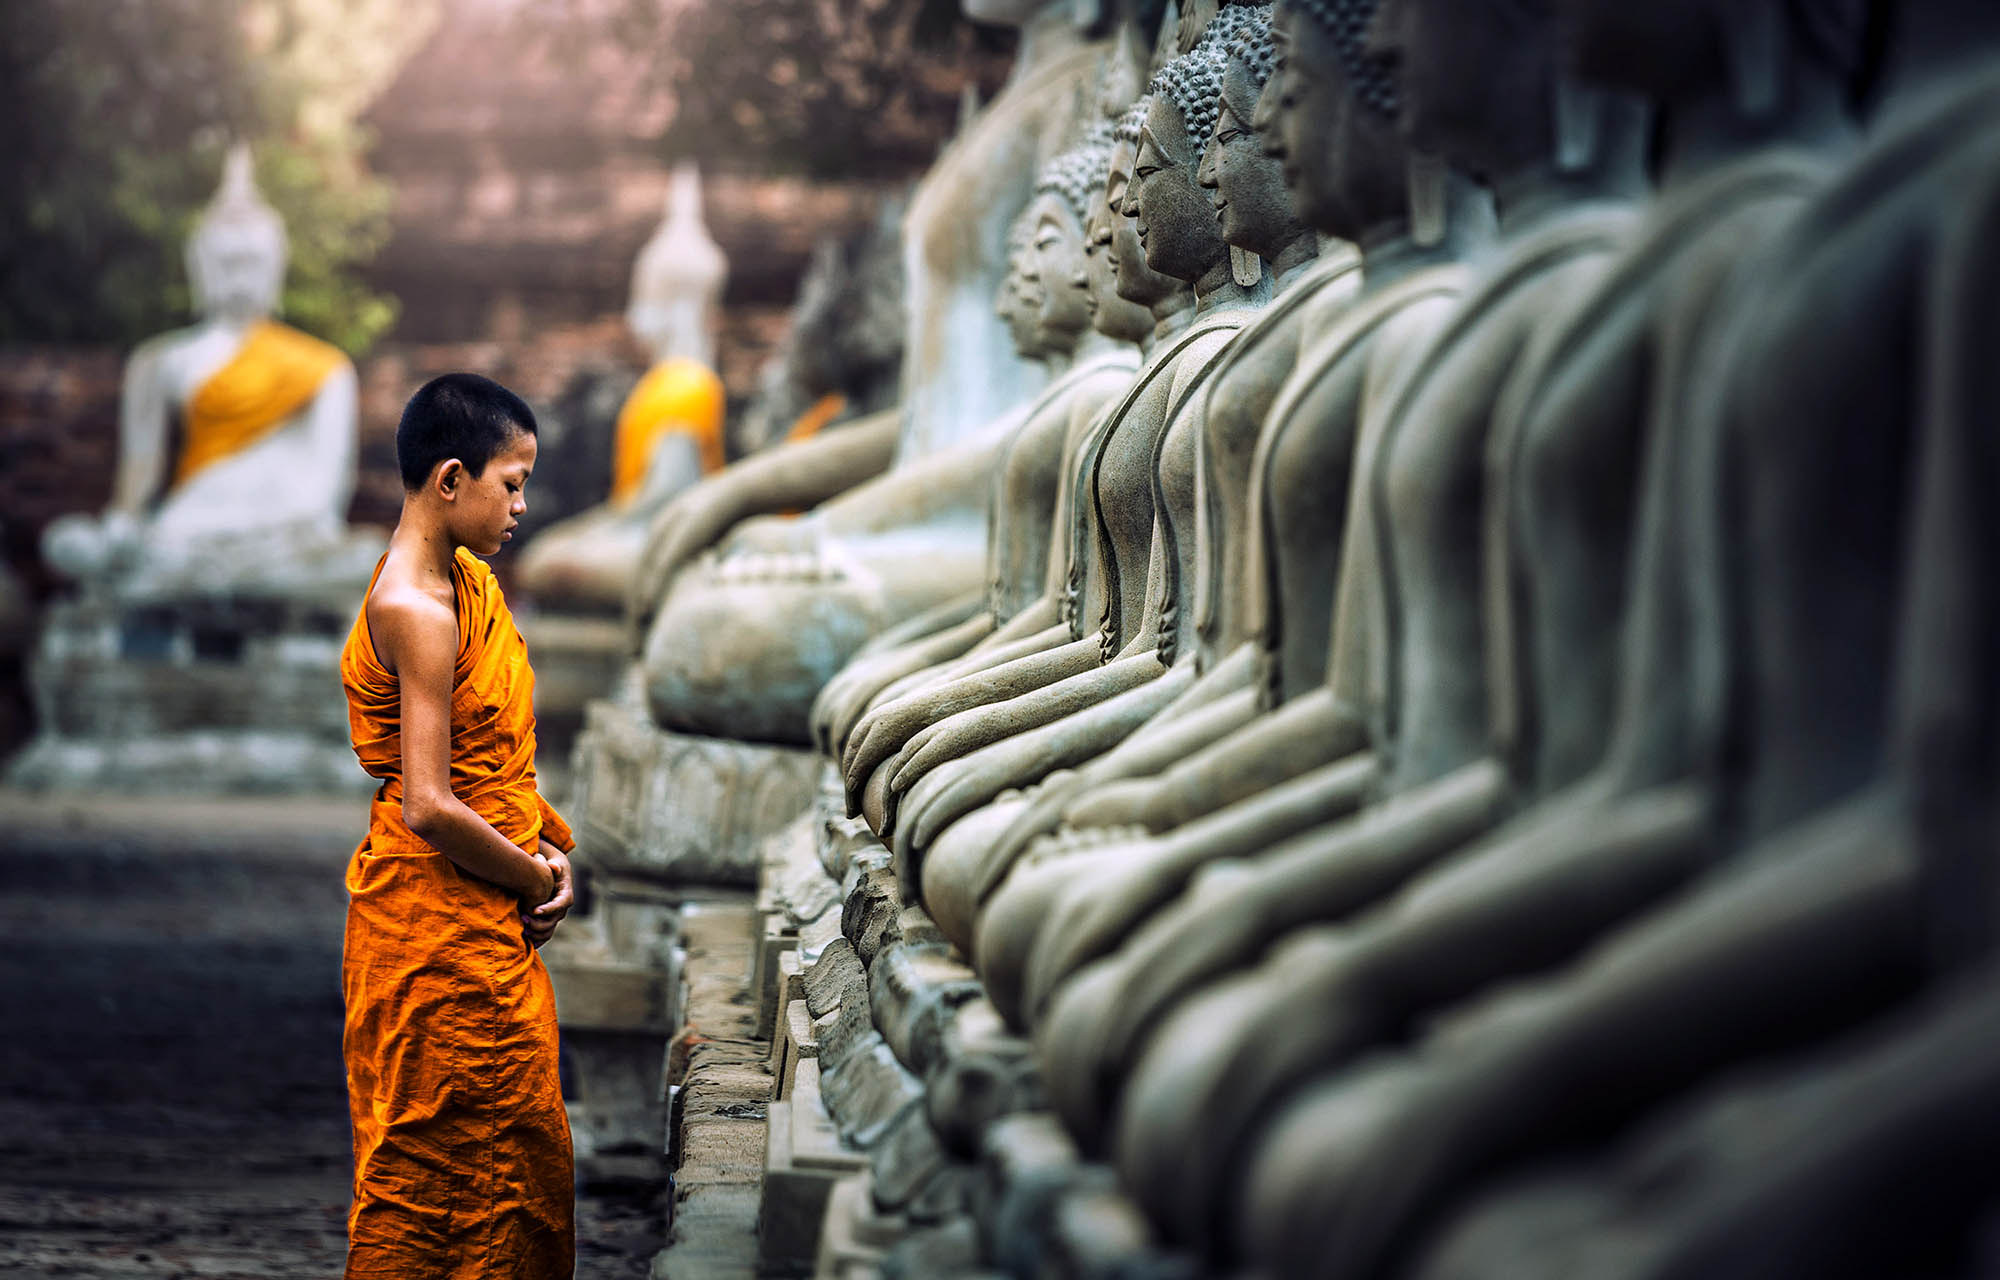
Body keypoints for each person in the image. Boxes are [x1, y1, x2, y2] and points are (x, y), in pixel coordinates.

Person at [337, 372, 578, 1278]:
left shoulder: (466, 580)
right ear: (449, 480)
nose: (522, 505)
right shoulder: (417, 607)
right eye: (510, 483)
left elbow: (503, 768)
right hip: (436, 928)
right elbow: (431, 804)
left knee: (520, 1156)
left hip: (485, 915)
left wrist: (547, 855)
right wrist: (534, 876)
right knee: (428, 1165)